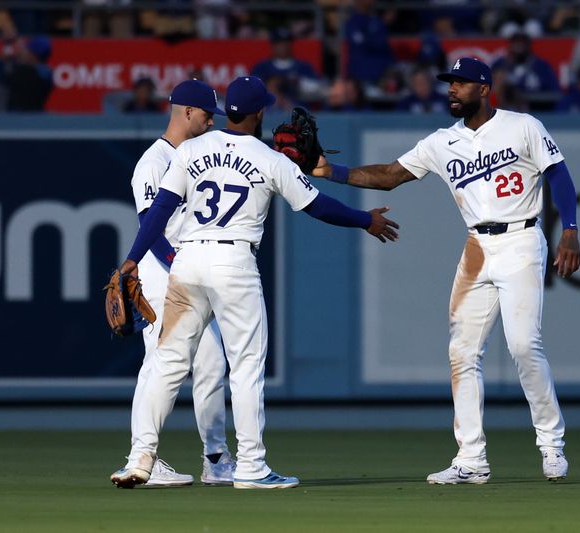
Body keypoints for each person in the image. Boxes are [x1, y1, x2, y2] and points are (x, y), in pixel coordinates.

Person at [110, 76, 400, 489]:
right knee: (245, 366)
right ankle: (251, 466)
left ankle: (141, 457)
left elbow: (160, 210)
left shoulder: (191, 150)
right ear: (260, 112)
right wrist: (364, 220)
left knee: (168, 363)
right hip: (232, 261)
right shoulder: (268, 158)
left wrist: (131, 259)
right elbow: (318, 206)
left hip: (188, 261)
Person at [312, 57, 580, 484]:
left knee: (524, 346)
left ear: (484, 89)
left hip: (522, 239)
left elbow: (559, 176)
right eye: (450, 83)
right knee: (461, 352)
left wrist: (569, 229)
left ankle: (551, 445)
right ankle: (471, 459)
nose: (452, 89)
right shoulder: (442, 141)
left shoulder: (523, 125)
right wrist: (330, 171)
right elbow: (388, 176)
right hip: (477, 246)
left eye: (461, 83)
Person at [111, 79, 234, 488]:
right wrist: (182, 268)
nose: (211, 119)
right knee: (159, 365)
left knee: (211, 361)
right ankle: (141, 458)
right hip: (163, 274)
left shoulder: (196, 156)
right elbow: (153, 227)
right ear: (185, 112)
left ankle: (214, 459)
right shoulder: (154, 161)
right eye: (206, 113)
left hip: (189, 272)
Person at [490, 32, 560, 111]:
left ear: (528, 45)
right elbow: (489, 90)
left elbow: (554, 93)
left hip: (536, 109)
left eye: (522, 43)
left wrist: (526, 96)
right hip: (504, 108)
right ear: (510, 45)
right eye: (516, 43)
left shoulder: (541, 66)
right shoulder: (500, 64)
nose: (519, 46)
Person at [250, 27, 321, 102]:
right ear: (273, 45)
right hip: (270, 110)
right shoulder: (262, 67)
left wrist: (298, 83)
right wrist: (270, 85)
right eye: (279, 43)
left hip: (297, 108)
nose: (284, 46)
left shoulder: (303, 66)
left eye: (286, 43)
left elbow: (317, 88)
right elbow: (251, 89)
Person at [0, 36, 54, 112]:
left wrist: (2, 61)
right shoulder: (47, 72)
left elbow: (1, 77)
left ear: (33, 55)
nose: (25, 52)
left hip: (18, 118)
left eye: (27, 50)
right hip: (36, 116)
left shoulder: (27, 73)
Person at [344, 0, 394, 86]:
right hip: (360, 77)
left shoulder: (378, 22)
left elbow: (382, 45)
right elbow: (362, 42)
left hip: (383, 76)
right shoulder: (351, 23)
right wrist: (373, 39)